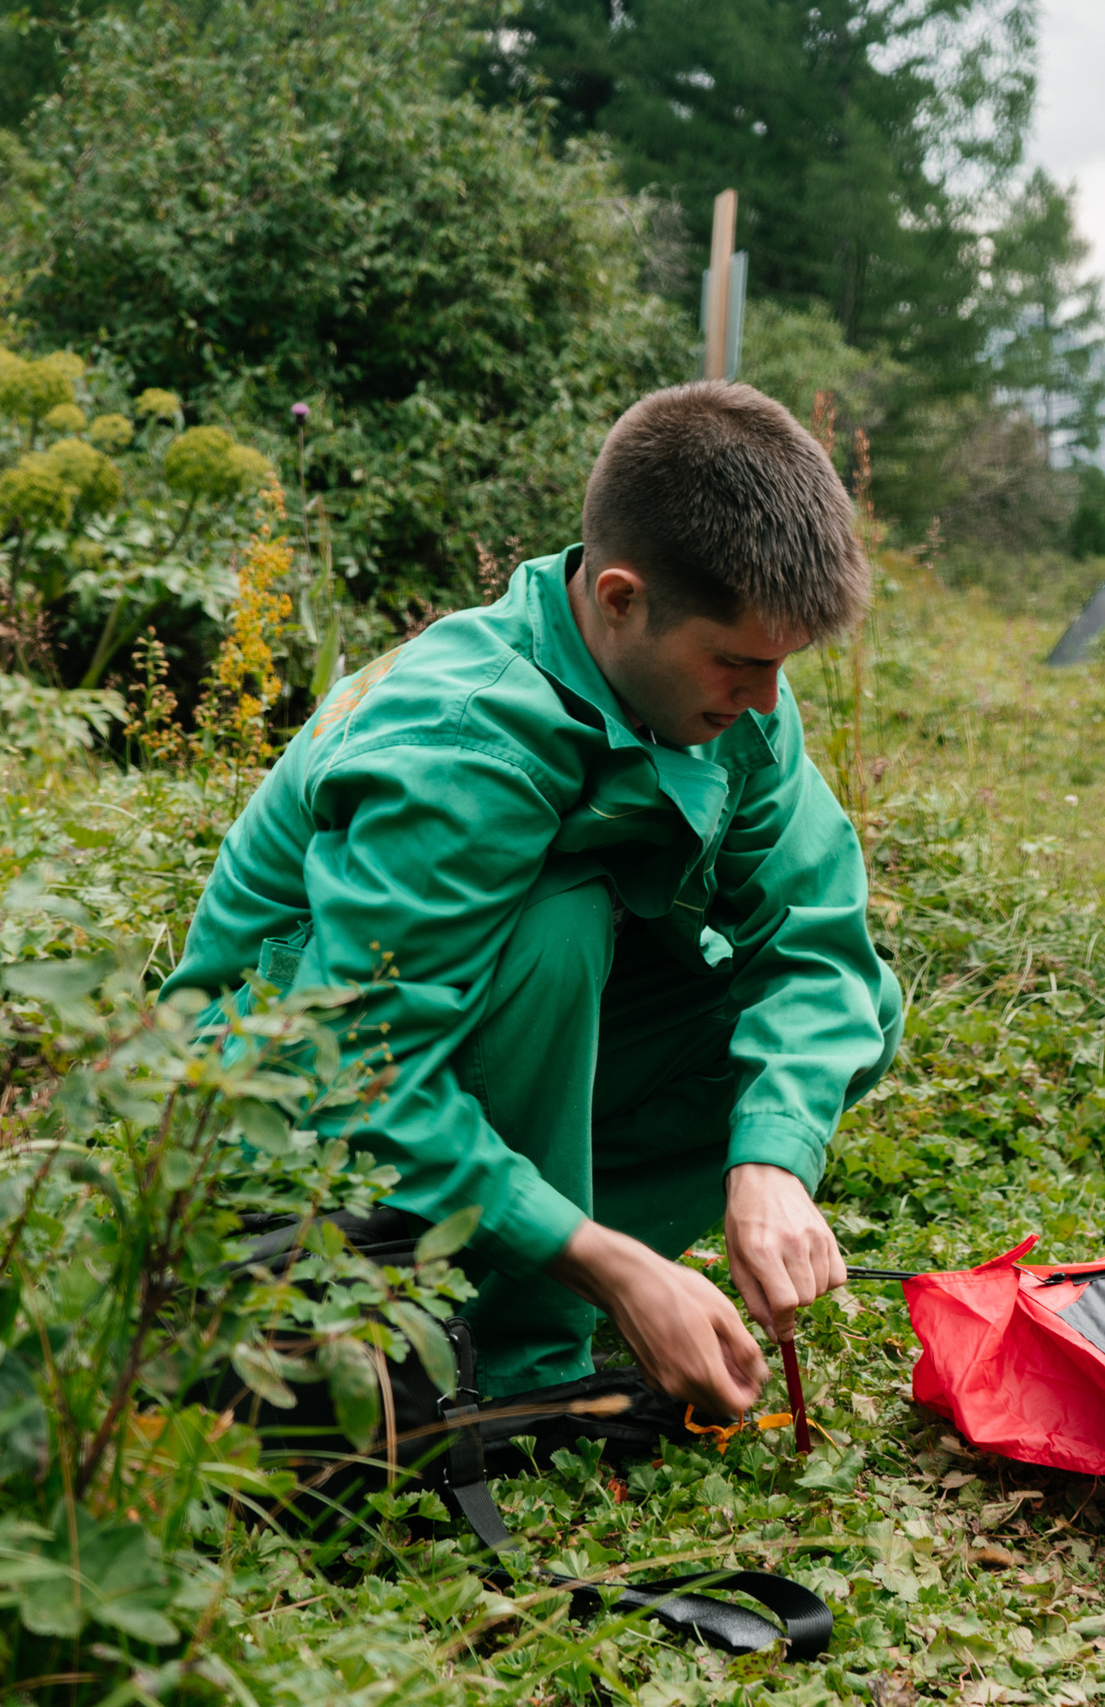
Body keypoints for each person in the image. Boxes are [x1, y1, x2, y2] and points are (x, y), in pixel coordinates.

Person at [165, 382, 903, 1421]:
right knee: (560, 926)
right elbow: (359, 1072)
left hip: (468, 1061)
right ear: (619, 598)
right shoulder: (459, 740)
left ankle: (537, 1264)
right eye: (739, 662)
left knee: (850, 1013)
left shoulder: (726, 704)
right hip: (286, 1111)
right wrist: (608, 1266)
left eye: (782, 666)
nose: (765, 702)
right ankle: (508, 1344)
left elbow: (816, 951)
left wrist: (771, 1162)